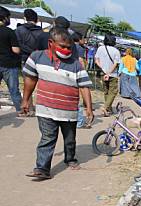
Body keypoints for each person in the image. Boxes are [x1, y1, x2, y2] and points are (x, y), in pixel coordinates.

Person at [21, 27, 93, 180]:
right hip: (45, 109)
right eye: (62, 46)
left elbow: (84, 86)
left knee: (70, 139)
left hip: (69, 112)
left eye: (69, 47)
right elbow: (30, 80)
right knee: (47, 138)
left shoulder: (76, 65)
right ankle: (42, 168)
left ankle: (70, 159)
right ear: (51, 43)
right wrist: (25, 100)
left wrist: (89, 108)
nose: (66, 50)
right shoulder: (37, 57)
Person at [0, 6, 23, 115]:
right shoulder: (9, 32)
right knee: (14, 90)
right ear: (4, 18)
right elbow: (16, 50)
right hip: (9, 64)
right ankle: (20, 110)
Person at [95, 34, 120, 116]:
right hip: (112, 74)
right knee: (113, 92)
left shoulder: (100, 48)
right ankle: (106, 107)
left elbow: (96, 61)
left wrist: (104, 70)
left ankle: (108, 110)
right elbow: (115, 64)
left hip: (103, 73)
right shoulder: (116, 51)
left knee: (106, 91)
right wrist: (109, 73)